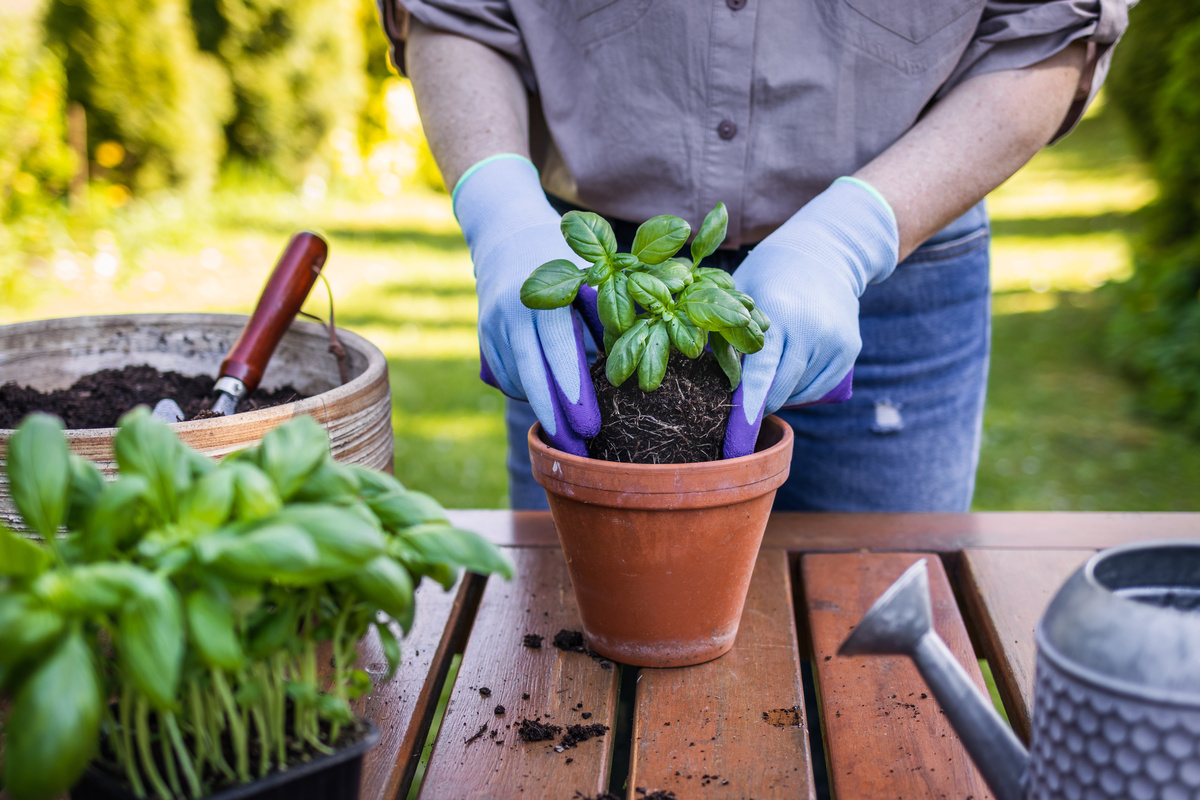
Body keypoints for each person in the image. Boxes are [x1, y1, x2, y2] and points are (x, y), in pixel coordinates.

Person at [376, 0, 1128, 512]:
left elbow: (1050, 27)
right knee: (574, 638)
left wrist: (849, 237)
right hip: (595, 285)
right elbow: (455, 11)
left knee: (874, 664)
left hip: (892, 261)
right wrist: (502, 211)